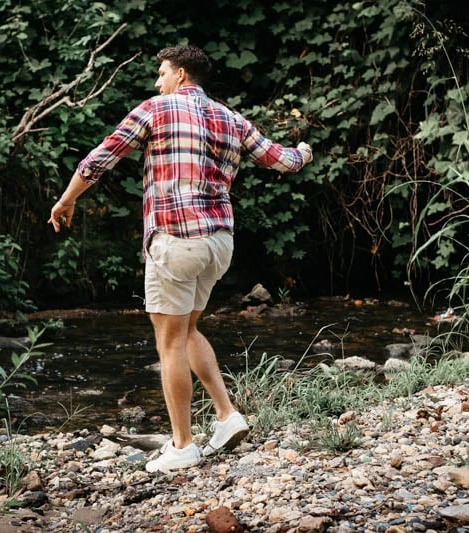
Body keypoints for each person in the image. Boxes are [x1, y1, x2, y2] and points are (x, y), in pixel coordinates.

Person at [48, 45, 313, 473]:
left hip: (176, 237)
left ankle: (183, 444)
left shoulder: (157, 109)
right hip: (219, 243)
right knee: (188, 329)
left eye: (162, 72)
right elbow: (283, 160)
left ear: (182, 74)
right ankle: (227, 417)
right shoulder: (232, 118)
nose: (157, 81)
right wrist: (303, 150)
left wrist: (65, 201)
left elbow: (100, 159)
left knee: (169, 340)